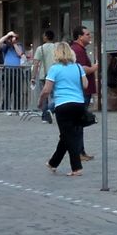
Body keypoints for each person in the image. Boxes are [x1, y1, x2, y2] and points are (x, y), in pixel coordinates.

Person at [39, 42, 87, 176]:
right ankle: (53, 162)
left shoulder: (55, 69)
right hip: (78, 104)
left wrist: (40, 100)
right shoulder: (78, 67)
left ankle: (76, 168)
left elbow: (46, 89)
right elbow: (85, 85)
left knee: (68, 136)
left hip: (63, 105)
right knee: (67, 136)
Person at [71, 27, 96, 161]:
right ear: (80, 37)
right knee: (79, 122)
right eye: (87, 34)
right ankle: (78, 152)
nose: (89, 36)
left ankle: (81, 150)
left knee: (80, 121)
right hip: (82, 90)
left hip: (83, 90)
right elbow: (82, 68)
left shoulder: (79, 49)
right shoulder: (78, 50)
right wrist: (94, 68)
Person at [29, 30, 58, 123]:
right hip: (55, 75)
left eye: (43, 35)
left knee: (44, 95)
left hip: (44, 75)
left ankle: (45, 116)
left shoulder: (40, 48)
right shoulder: (57, 47)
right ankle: (51, 111)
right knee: (55, 95)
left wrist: (33, 76)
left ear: (46, 37)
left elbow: (36, 63)